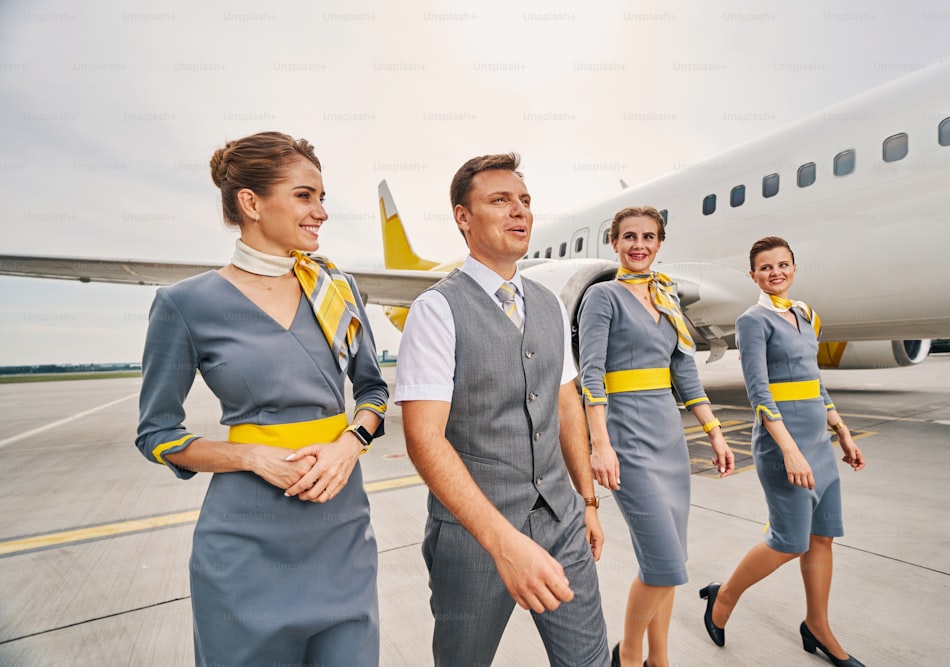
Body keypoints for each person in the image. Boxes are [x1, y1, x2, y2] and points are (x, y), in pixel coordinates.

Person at [135, 131, 388, 666]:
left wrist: (349, 444)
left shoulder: (336, 288)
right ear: (250, 203)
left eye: (322, 197)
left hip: (341, 531)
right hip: (245, 543)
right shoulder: (184, 304)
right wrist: (248, 456)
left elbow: (373, 391)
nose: (320, 211)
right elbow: (156, 433)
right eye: (304, 196)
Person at [395, 153, 610, 667]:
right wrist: (501, 542)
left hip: (562, 521)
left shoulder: (550, 303)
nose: (520, 212)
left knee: (590, 661)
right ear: (463, 217)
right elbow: (425, 439)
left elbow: (565, 403)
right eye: (500, 200)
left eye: (525, 201)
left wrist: (587, 500)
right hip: (474, 536)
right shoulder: (436, 309)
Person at [578, 206, 735, 667]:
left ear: (660, 242)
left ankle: (659, 659)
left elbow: (685, 373)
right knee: (665, 566)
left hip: (670, 441)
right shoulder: (603, 297)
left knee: (666, 567)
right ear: (615, 243)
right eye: (629, 237)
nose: (639, 245)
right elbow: (591, 376)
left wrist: (714, 432)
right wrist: (600, 444)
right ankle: (628, 656)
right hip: (627, 440)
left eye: (648, 236)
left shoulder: (669, 298)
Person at [700, 236, 865, 667]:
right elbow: (758, 391)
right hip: (782, 447)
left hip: (820, 446)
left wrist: (842, 431)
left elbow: (815, 383)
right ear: (753, 274)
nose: (776, 272)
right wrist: (790, 450)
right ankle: (724, 596)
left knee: (821, 538)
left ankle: (817, 626)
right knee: (789, 542)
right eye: (765, 267)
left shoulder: (806, 315)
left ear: (793, 267)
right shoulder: (753, 321)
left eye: (782, 264)